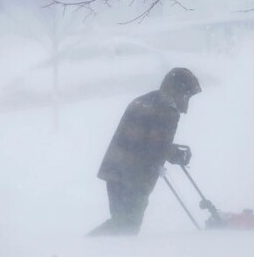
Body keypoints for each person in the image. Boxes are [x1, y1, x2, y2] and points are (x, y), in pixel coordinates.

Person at [87, 68, 202, 236]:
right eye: (187, 95)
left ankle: (91, 248)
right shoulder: (167, 109)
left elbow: (147, 141)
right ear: (178, 90)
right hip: (134, 176)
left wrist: (170, 152)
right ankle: (85, 248)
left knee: (121, 223)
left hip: (115, 170)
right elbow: (156, 146)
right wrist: (177, 155)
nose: (186, 101)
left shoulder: (145, 100)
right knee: (127, 226)